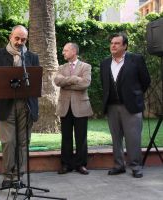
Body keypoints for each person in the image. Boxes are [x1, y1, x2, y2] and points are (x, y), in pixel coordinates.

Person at [0, 25, 39, 187]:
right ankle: (8, 176)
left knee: (23, 142)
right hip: (5, 105)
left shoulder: (32, 57)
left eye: (23, 39)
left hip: (26, 104)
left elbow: (36, 81)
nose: (19, 42)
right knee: (9, 141)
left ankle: (19, 176)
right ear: (10, 36)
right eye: (17, 38)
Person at [100, 33, 151, 178]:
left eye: (117, 43)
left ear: (125, 46)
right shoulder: (104, 63)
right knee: (116, 138)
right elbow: (105, 83)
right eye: (111, 43)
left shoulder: (136, 59)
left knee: (133, 138)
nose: (113, 45)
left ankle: (136, 166)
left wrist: (135, 95)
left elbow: (145, 80)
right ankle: (119, 165)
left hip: (132, 106)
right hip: (111, 106)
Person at [54, 42, 93, 175]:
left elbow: (85, 84)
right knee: (66, 136)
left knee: (81, 137)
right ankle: (66, 164)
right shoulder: (61, 67)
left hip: (81, 106)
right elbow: (57, 81)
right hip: (65, 106)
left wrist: (67, 82)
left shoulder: (86, 67)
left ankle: (81, 164)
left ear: (74, 51)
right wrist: (75, 79)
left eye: (65, 50)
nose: (63, 53)